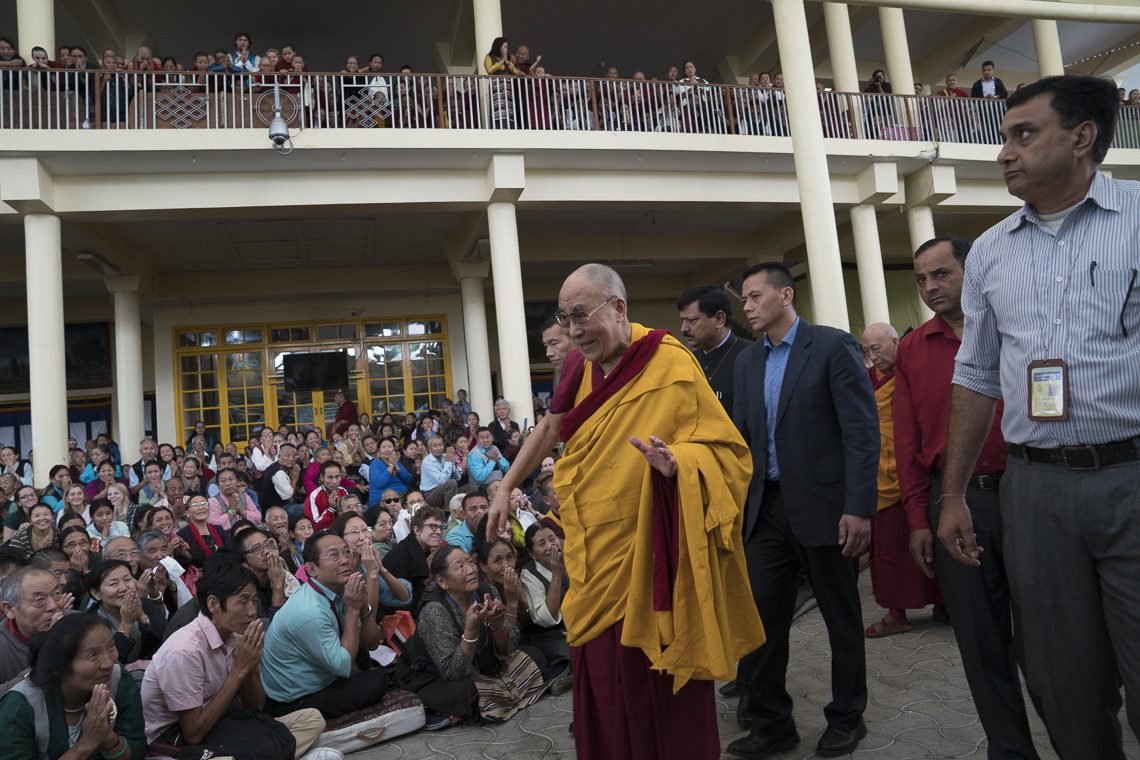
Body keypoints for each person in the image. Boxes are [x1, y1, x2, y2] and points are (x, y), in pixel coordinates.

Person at [940, 75, 1139, 760]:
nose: (1004, 152)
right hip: (1035, 493)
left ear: (1083, 137)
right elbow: (975, 374)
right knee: (1061, 681)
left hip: (1133, 478)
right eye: (1004, 137)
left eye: (1023, 134)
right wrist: (953, 492)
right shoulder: (992, 249)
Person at [488, 263, 761, 760]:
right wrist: (506, 485)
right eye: (564, 319)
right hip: (597, 556)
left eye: (580, 316)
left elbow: (728, 451)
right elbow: (550, 431)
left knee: (656, 685)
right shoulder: (576, 366)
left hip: (654, 550)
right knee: (606, 682)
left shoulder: (671, 361)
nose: (572, 331)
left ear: (618, 308)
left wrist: (680, 463)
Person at [894, 236, 1040, 758]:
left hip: (1027, 492)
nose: (931, 287)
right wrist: (918, 517)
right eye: (921, 279)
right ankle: (1011, 750)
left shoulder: (1014, 325)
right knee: (981, 644)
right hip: (954, 503)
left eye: (942, 274)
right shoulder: (911, 349)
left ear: (969, 271)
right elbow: (908, 442)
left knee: (1049, 639)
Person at [730, 261, 878, 758]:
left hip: (826, 506)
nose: (747, 307)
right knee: (761, 620)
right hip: (765, 508)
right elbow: (740, 438)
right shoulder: (748, 362)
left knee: (841, 617)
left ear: (785, 295)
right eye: (744, 300)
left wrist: (859, 506)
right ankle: (773, 723)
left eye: (754, 296)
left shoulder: (832, 347)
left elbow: (861, 432)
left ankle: (847, 718)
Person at [142, 551, 329, 759]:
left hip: (223, 725)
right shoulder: (185, 651)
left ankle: (276, 752)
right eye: (243, 601)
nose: (252, 611)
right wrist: (239, 671)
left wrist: (252, 668)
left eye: (254, 601)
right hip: (175, 741)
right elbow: (193, 733)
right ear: (213, 604)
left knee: (312, 719)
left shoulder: (235, 635)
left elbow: (255, 709)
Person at [860, 322, 947, 638]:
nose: (872, 356)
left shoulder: (913, 374)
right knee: (888, 549)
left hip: (917, 468)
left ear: (895, 342)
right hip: (881, 474)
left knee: (935, 542)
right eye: (866, 350)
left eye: (877, 349)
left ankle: (943, 603)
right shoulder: (868, 380)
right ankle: (897, 612)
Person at [260, 531, 389, 719]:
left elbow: (371, 644)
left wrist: (363, 610)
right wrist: (353, 611)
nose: (345, 560)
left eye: (347, 553)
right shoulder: (309, 611)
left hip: (324, 671)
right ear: (311, 569)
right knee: (377, 682)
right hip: (294, 700)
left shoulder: (338, 587)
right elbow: (344, 666)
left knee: (366, 661)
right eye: (334, 555)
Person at [416, 545, 545, 721]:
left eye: (470, 562)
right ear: (442, 581)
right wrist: (470, 629)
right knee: (467, 691)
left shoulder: (487, 591)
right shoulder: (434, 611)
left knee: (534, 655)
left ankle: (497, 694)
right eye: (460, 566)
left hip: (486, 668)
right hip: (442, 676)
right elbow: (453, 672)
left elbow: (508, 649)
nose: (470, 570)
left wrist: (499, 623)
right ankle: (503, 690)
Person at [0, 614, 146, 759]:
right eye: (93, 655)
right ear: (59, 667)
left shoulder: (118, 679)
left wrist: (107, 738)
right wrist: (87, 742)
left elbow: (137, 751)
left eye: (111, 647)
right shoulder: (21, 706)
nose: (108, 663)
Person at [676, 284, 752, 413]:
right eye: (683, 320)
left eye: (692, 321)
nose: (684, 328)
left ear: (719, 319)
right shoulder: (689, 360)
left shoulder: (751, 357)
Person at [0, 567, 67, 684]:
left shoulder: (79, 624)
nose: (53, 606)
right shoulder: (3, 646)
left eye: (57, 594)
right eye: (39, 599)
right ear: (10, 609)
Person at [381, 507, 447, 614]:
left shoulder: (418, 546)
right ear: (417, 530)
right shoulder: (404, 553)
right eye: (433, 527)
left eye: (441, 527)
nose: (439, 532)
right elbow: (413, 599)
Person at [177, 494, 232, 568]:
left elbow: (230, 552)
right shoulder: (182, 535)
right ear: (187, 513)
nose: (200, 508)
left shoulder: (219, 529)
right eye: (195, 505)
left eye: (203, 503)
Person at [304, 461, 347, 531]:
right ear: (321, 477)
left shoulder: (343, 491)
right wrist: (331, 509)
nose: (334, 481)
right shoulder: (314, 496)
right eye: (330, 477)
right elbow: (313, 527)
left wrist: (339, 508)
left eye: (337, 477)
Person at [419, 436, 460, 508]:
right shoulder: (427, 462)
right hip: (430, 494)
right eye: (435, 446)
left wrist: (452, 463)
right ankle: (449, 513)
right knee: (451, 483)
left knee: (471, 488)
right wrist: (448, 462)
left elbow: (458, 477)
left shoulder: (446, 456)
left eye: (440, 445)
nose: (438, 448)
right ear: (429, 449)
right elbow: (442, 481)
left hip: (444, 489)